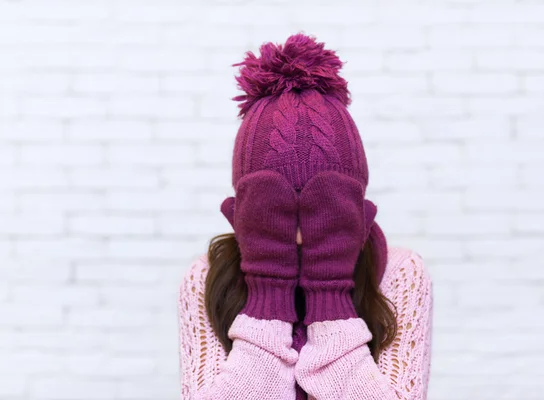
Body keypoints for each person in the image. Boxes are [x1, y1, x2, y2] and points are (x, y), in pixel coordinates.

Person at [177, 32, 433, 399]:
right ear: (244, 209)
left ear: (356, 208)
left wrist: (330, 290)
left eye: (322, 204)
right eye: (275, 203)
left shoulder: (401, 274)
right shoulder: (204, 278)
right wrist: (269, 288)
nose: (299, 226)